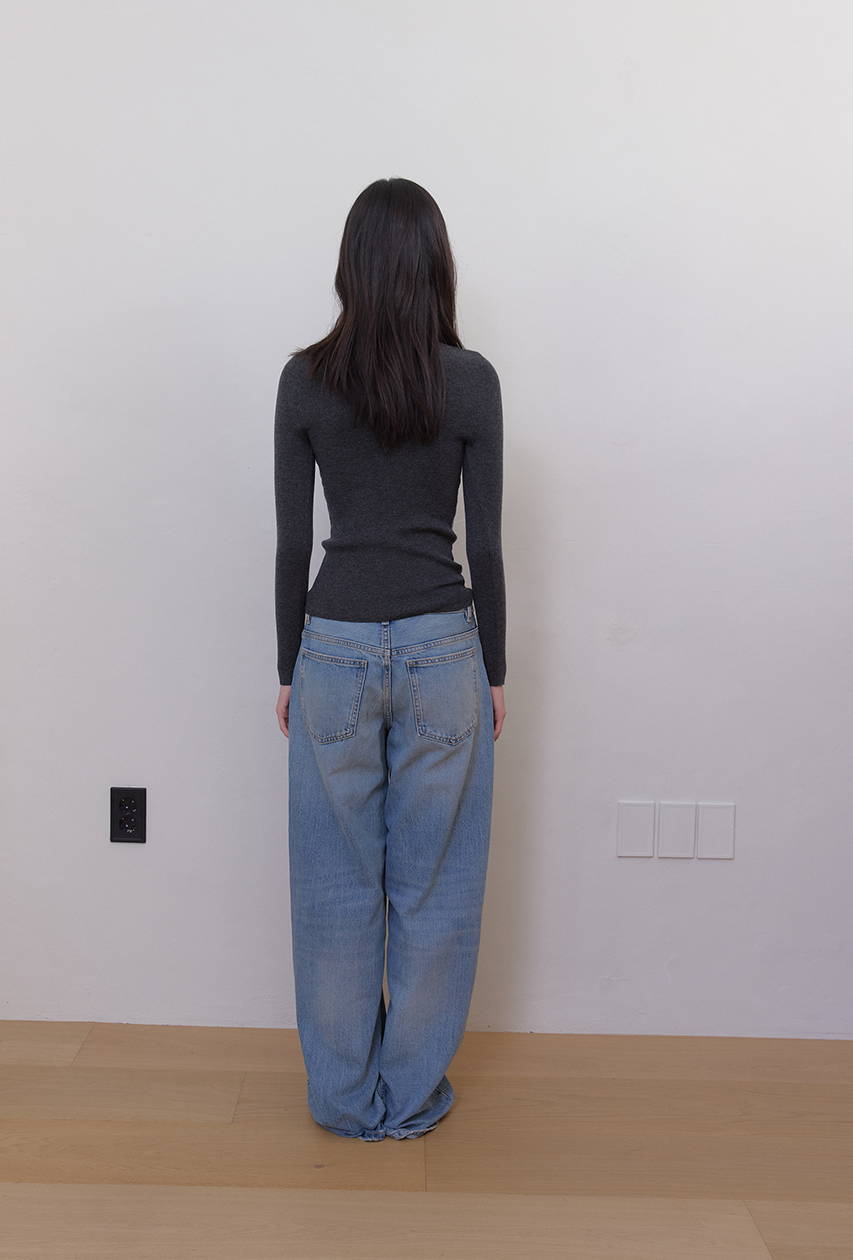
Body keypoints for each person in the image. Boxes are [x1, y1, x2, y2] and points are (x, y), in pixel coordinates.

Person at [273, 177, 506, 1141]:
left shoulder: (303, 378)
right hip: (443, 645)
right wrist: (496, 670)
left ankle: (342, 1101)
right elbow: (485, 544)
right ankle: (408, 1099)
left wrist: (287, 666)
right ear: (436, 266)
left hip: (331, 643)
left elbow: (294, 543)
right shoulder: (472, 380)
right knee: (434, 890)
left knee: (334, 891)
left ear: (352, 267)